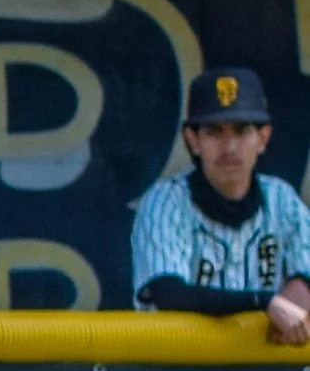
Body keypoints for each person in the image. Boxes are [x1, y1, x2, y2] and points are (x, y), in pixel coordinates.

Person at [131, 68, 310, 343]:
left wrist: (300, 289)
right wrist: (264, 302)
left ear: (262, 138)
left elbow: (304, 281)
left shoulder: (282, 200)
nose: (229, 147)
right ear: (193, 139)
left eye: (242, 131)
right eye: (214, 132)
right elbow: (170, 294)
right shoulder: (166, 201)